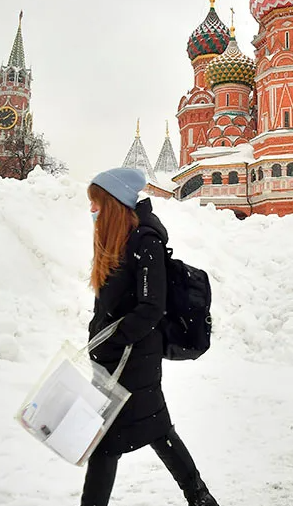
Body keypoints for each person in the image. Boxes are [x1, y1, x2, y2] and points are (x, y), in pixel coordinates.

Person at [82, 168, 218, 506]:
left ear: (112, 203)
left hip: (134, 356)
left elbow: (151, 307)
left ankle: (198, 494)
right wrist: (98, 336)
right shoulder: (116, 239)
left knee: (106, 442)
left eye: (96, 203)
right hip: (117, 356)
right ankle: (199, 495)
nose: (92, 210)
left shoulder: (146, 241)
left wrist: (112, 340)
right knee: (156, 428)